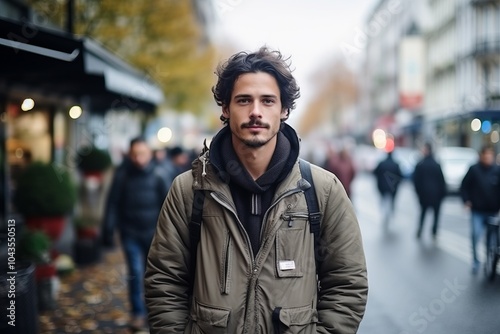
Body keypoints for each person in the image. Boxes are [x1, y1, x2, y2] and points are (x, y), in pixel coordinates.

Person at [144, 46, 368, 333]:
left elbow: (347, 283)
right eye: (243, 100)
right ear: (225, 108)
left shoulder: (322, 190)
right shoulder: (189, 190)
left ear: (284, 109)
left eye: (268, 101)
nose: (255, 112)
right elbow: (164, 280)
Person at [102, 137, 171, 331]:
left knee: (155, 276)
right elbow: (112, 203)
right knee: (134, 272)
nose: (139, 158)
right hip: (129, 232)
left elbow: (169, 207)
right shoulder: (122, 175)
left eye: (142, 153)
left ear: (149, 154)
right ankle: (137, 313)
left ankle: (155, 312)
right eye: (135, 154)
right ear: (130, 155)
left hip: (154, 234)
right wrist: (108, 229)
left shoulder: (159, 174)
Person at [460, 145, 500, 274]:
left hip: (492, 211)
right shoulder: (474, 169)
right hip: (477, 210)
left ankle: (489, 261)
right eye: (486, 155)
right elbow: (464, 186)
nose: (488, 158)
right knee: (476, 235)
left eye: (490, 156)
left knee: (492, 240)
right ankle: (476, 261)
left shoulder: (497, 170)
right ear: (481, 156)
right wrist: (466, 201)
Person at [412, 142, 447, 239]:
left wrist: (419, 194)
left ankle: (420, 230)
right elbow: (442, 181)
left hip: (425, 195)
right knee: (435, 215)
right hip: (436, 195)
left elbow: (416, 181)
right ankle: (434, 231)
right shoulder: (436, 164)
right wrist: (442, 194)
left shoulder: (420, 164)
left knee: (423, 214)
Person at [373, 150, 403, 226]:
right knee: (391, 202)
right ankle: (390, 213)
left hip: (382, 187)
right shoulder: (396, 164)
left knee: (384, 201)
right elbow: (400, 176)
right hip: (392, 187)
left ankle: (385, 214)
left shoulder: (382, 163)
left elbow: (375, 173)